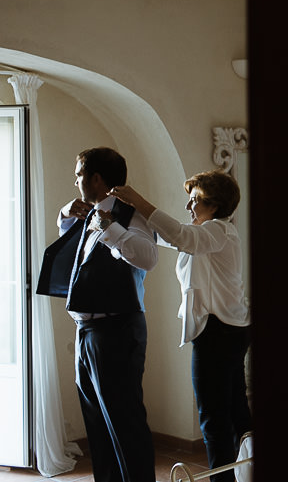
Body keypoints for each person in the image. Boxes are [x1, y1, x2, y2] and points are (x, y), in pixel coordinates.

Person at [111, 170, 251, 482]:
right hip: (229, 330)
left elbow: (180, 237)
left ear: (213, 204)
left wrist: (139, 202)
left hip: (218, 333)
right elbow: (170, 236)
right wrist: (127, 218)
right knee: (235, 412)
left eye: (195, 200)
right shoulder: (212, 232)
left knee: (213, 418)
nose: (188, 206)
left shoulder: (217, 231)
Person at [44, 147, 158, 482]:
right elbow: (72, 241)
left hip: (116, 331)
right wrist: (66, 212)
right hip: (88, 332)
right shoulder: (90, 213)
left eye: (79, 174)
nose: (75, 180)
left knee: (125, 424)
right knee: (97, 424)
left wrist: (107, 224)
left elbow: (147, 257)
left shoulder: (130, 214)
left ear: (96, 178)